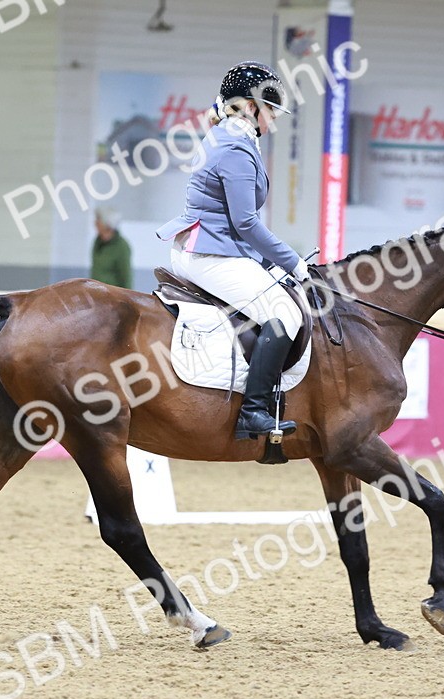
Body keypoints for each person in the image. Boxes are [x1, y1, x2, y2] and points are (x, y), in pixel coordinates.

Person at [155, 61, 311, 440]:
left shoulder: (228, 135)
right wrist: (291, 261)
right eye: (270, 110)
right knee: (285, 314)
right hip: (210, 253)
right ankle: (253, 412)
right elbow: (246, 223)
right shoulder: (235, 149)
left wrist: (267, 262)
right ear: (251, 107)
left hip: (212, 245)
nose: (273, 119)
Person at [90, 207, 132, 289]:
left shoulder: (122, 246)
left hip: (112, 294)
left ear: (107, 224)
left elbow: (126, 278)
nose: (95, 223)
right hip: (96, 292)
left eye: (99, 220)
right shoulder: (97, 241)